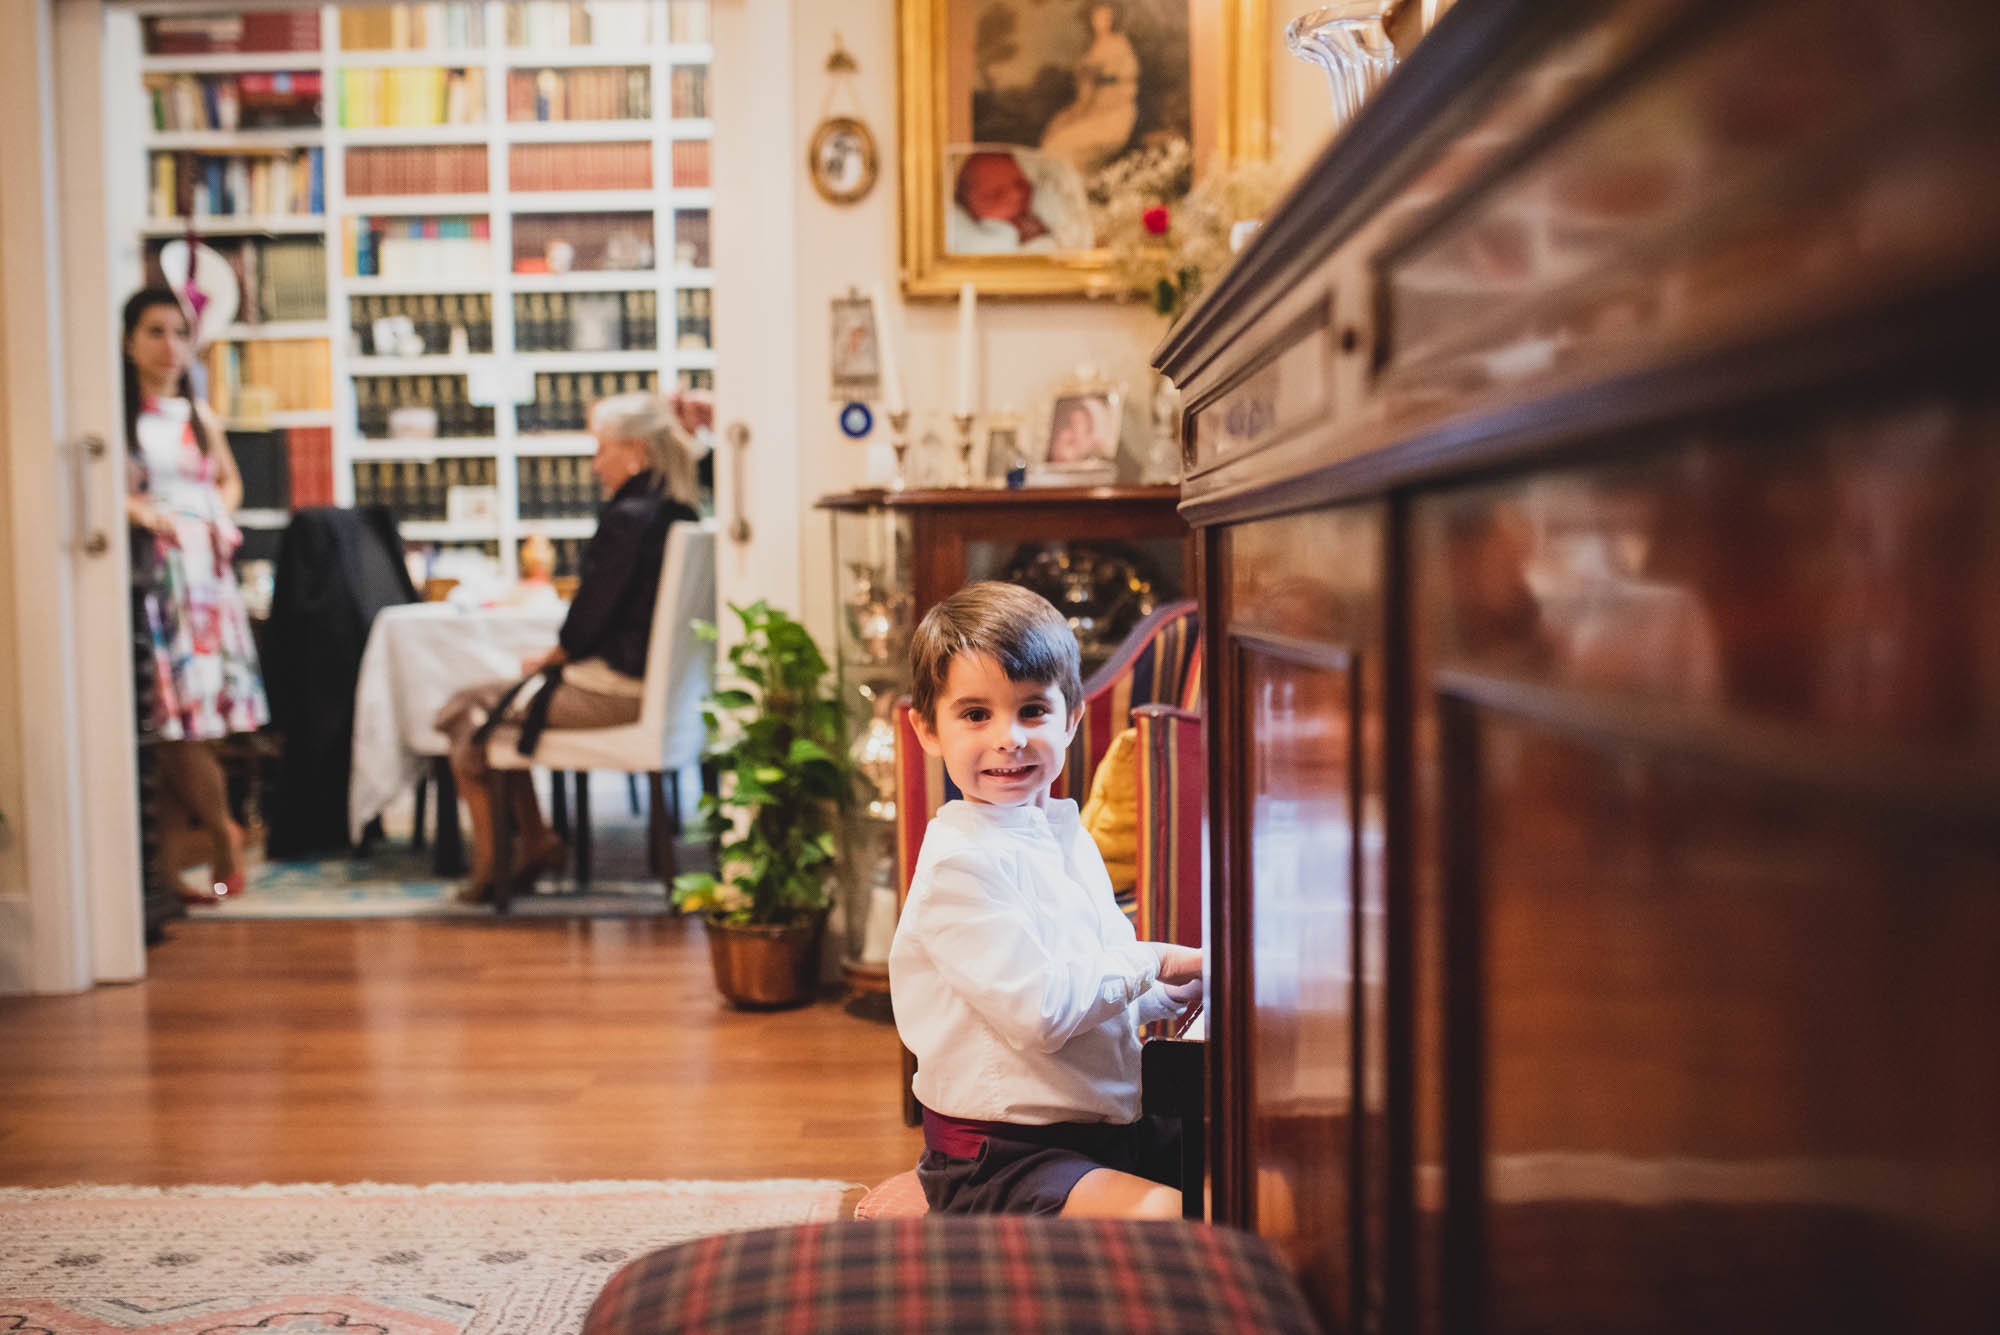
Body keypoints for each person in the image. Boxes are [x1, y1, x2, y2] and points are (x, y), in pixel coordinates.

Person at [888, 581, 1204, 1217]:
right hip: (1003, 1157)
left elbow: (1096, 992)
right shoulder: (959, 866)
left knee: (1263, 1178)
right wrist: (1157, 960)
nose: (1009, 737)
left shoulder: (1065, 834)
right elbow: (1043, 1012)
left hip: (1105, 1127)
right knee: (1180, 1218)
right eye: (975, 715)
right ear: (928, 729)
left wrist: (1178, 990)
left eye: (1032, 709)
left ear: (1072, 718)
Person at [434, 390, 710, 903]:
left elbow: (589, 619)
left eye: (601, 449)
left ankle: (495, 865)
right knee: (483, 707)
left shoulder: (629, 517)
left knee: (468, 713)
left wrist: (552, 657)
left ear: (636, 451)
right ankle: (535, 841)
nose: (594, 465)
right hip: (654, 689)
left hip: (614, 690)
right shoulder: (680, 511)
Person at [122, 285, 269, 905]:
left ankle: (193, 850)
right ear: (129, 341)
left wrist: (215, 513)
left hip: (206, 579)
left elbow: (229, 481)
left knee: (194, 723)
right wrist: (139, 510)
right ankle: (217, 833)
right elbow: (112, 488)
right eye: (155, 332)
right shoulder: (119, 418)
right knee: (168, 720)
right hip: (158, 578)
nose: (169, 346)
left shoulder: (199, 417)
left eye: (180, 333)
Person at [1039, 3, 1141, 176]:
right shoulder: (1094, 47)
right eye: (1098, 17)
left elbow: (1128, 82)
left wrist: (1101, 79)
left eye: (1107, 17)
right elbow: (1085, 89)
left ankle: (1080, 185)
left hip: (1114, 116)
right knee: (1052, 136)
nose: (1103, 22)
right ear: (1092, 20)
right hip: (1093, 110)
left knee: (1061, 146)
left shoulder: (1119, 44)